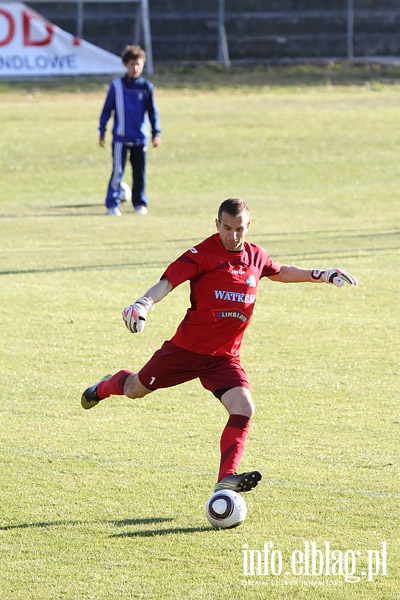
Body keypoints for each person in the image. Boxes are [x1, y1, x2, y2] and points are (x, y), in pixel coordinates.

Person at [81, 198, 358, 494]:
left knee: (244, 407)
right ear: (217, 225)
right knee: (135, 389)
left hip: (224, 358)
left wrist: (322, 275)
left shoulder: (256, 256)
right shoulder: (201, 254)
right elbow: (167, 282)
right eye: (227, 228)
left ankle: (227, 477)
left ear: (248, 226)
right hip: (185, 351)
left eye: (240, 229)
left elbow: (280, 271)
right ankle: (104, 387)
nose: (234, 236)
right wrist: (143, 303)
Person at [99, 45, 161, 217]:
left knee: (139, 172)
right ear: (126, 64)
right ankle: (113, 204)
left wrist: (156, 133)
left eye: (139, 64)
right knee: (118, 170)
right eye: (133, 64)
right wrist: (102, 130)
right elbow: (107, 110)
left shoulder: (146, 87)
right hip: (120, 137)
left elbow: (152, 111)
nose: (136, 68)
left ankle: (139, 202)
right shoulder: (117, 86)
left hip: (140, 137)